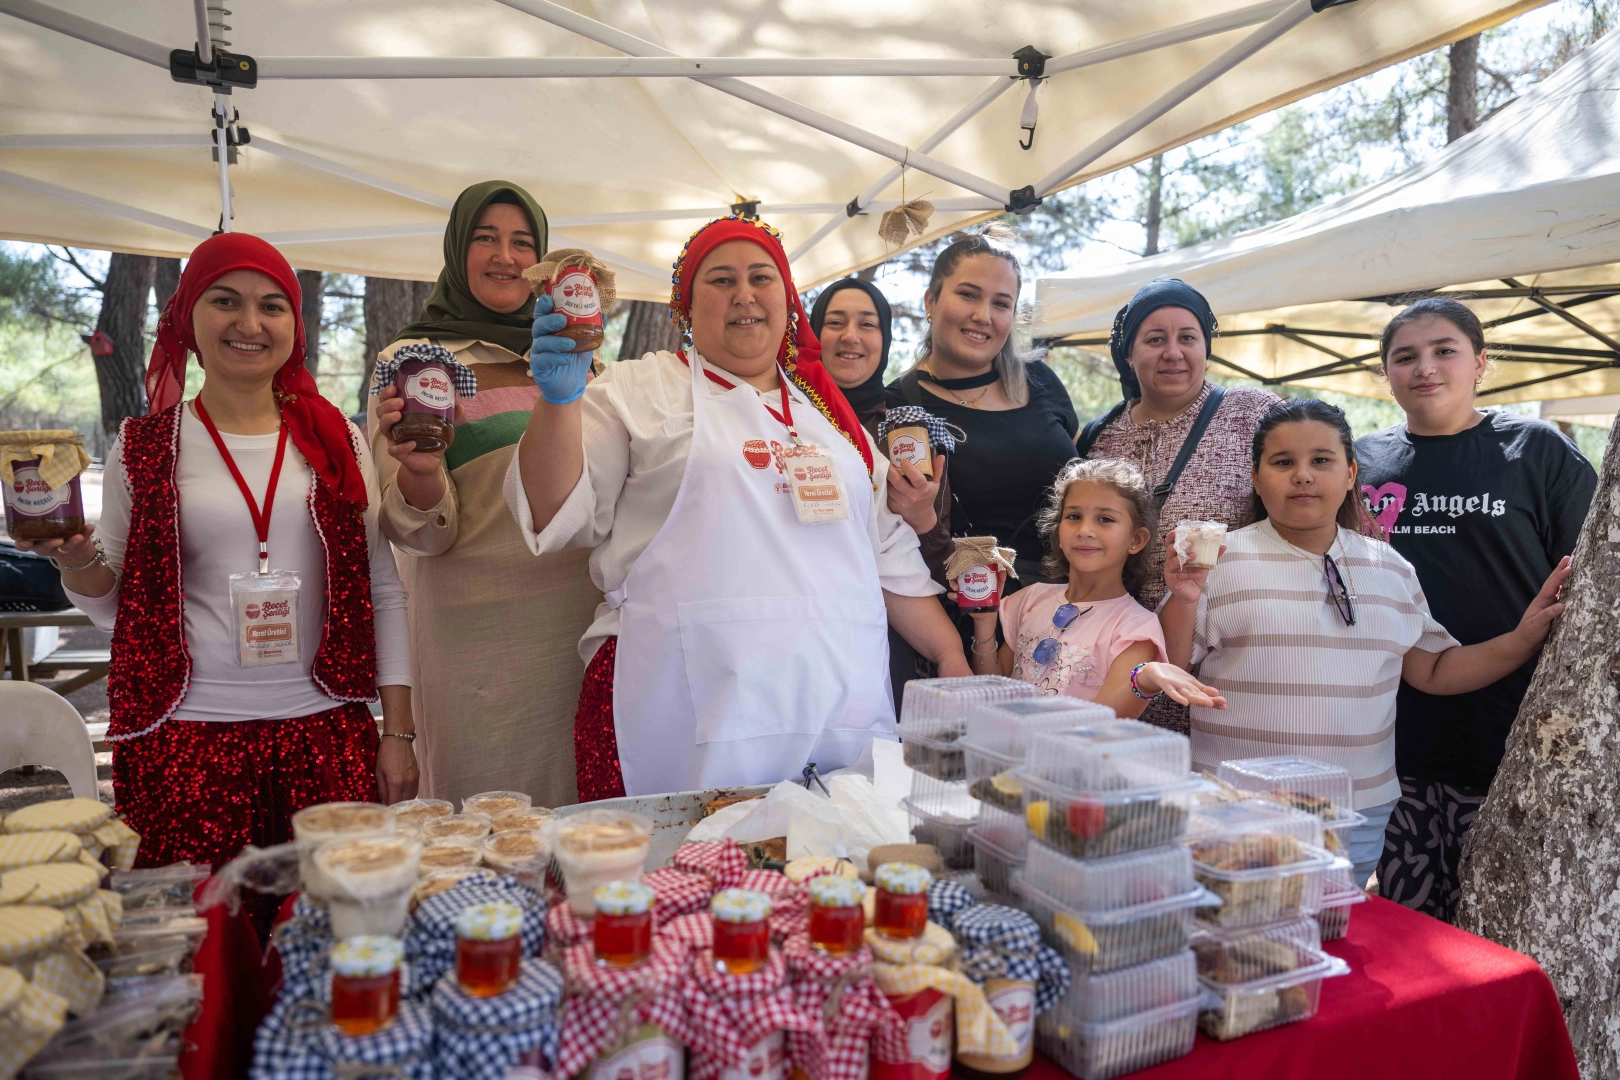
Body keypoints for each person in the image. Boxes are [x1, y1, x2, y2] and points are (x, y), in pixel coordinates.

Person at [507, 215, 970, 800]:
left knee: (826, 882)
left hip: (833, 713)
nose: (745, 295)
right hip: (680, 709)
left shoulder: (829, 418)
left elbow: (888, 557)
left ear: (787, 299)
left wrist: (951, 655)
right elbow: (554, 514)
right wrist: (558, 404)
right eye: (721, 280)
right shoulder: (638, 389)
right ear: (686, 306)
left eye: (761, 278)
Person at [20, 232, 417, 873]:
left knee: (329, 941)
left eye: (273, 306)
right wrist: (72, 556)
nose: (249, 324)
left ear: (295, 323)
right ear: (187, 319)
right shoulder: (143, 446)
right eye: (225, 301)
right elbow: (112, 610)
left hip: (326, 732)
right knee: (203, 948)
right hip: (185, 740)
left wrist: (398, 732)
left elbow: (383, 587)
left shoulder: (338, 437)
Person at [1159, 398, 1571, 886]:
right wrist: (1184, 597)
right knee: (1239, 948)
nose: (1303, 476)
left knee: (1337, 941)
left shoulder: (1390, 567)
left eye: (1321, 460)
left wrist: (1524, 638)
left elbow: (1434, 671)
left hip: (1358, 810)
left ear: (1352, 473)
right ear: (1255, 477)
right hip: (1237, 806)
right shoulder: (1220, 560)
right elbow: (1174, 664)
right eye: (1283, 462)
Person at [1356, 298, 1596, 920]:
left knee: (1498, 932)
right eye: (1405, 357)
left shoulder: (1535, 449)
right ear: (1386, 372)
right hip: (1395, 742)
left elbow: (1591, 578)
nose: (1425, 368)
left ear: (1480, 363)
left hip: (1515, 737)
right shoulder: (1363, 462)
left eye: (1444, 351)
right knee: (1408, 932)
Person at [369, 181, 601, 810]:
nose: (506, 256)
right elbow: (418, 535)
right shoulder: (416, 362)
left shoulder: (581, 361)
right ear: (456, 248)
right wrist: (418, 472)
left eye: (523, 243)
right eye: (486, 238)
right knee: (489, 843)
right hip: (480, 656)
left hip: (587, 637)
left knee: (586, 835)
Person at [1079, 278, 1280, 734]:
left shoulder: (1255, 413)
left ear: (1206, 347)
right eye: (1155, 339)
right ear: (1129, 354)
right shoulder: (1098, 436)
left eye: (1187, 337)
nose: (1173, 352)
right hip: (1115, 670)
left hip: (1223, 670)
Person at [885, 226, 1079, 587]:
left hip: (1066, 608)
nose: (983, 315)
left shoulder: (1039, 380)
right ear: (930, 302)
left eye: (1001, 303)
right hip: (971, 612)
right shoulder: (899, 408)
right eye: (968, 295)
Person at [965, 457, 1223, 717]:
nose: (1085, 530)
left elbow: (1103, 724)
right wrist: (984, 621)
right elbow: (991, 689)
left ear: (1136, 539)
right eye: (1074, 516)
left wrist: (1144, 679)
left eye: (1105, 519)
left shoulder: (1136, 628)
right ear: (1059, 532)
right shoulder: (1029, 599)